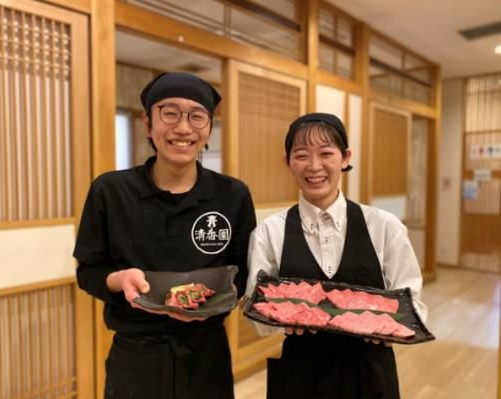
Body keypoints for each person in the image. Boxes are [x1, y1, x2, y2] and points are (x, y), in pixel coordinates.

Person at [74, 72, 256, 399]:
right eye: (169, 113)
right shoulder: (111, 191)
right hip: (136, 356)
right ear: (148, 124)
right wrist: (119, 280)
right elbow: (88, 271)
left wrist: (225, 291)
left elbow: (242, 269)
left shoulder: (232, 195)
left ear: (208, 128)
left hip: (207, 356)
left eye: (197, 116)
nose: (183, 128)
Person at [246, 112, 427, 399]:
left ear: (345, 158)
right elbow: (257, 313)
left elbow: (412, 303)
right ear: (288, 162)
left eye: (326, 153)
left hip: (369, 373)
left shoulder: (383, 226)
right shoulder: (270, 232)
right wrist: (280, 317)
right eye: (302, 155)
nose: (314, 166)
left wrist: (392, 328)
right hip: (300, 375)